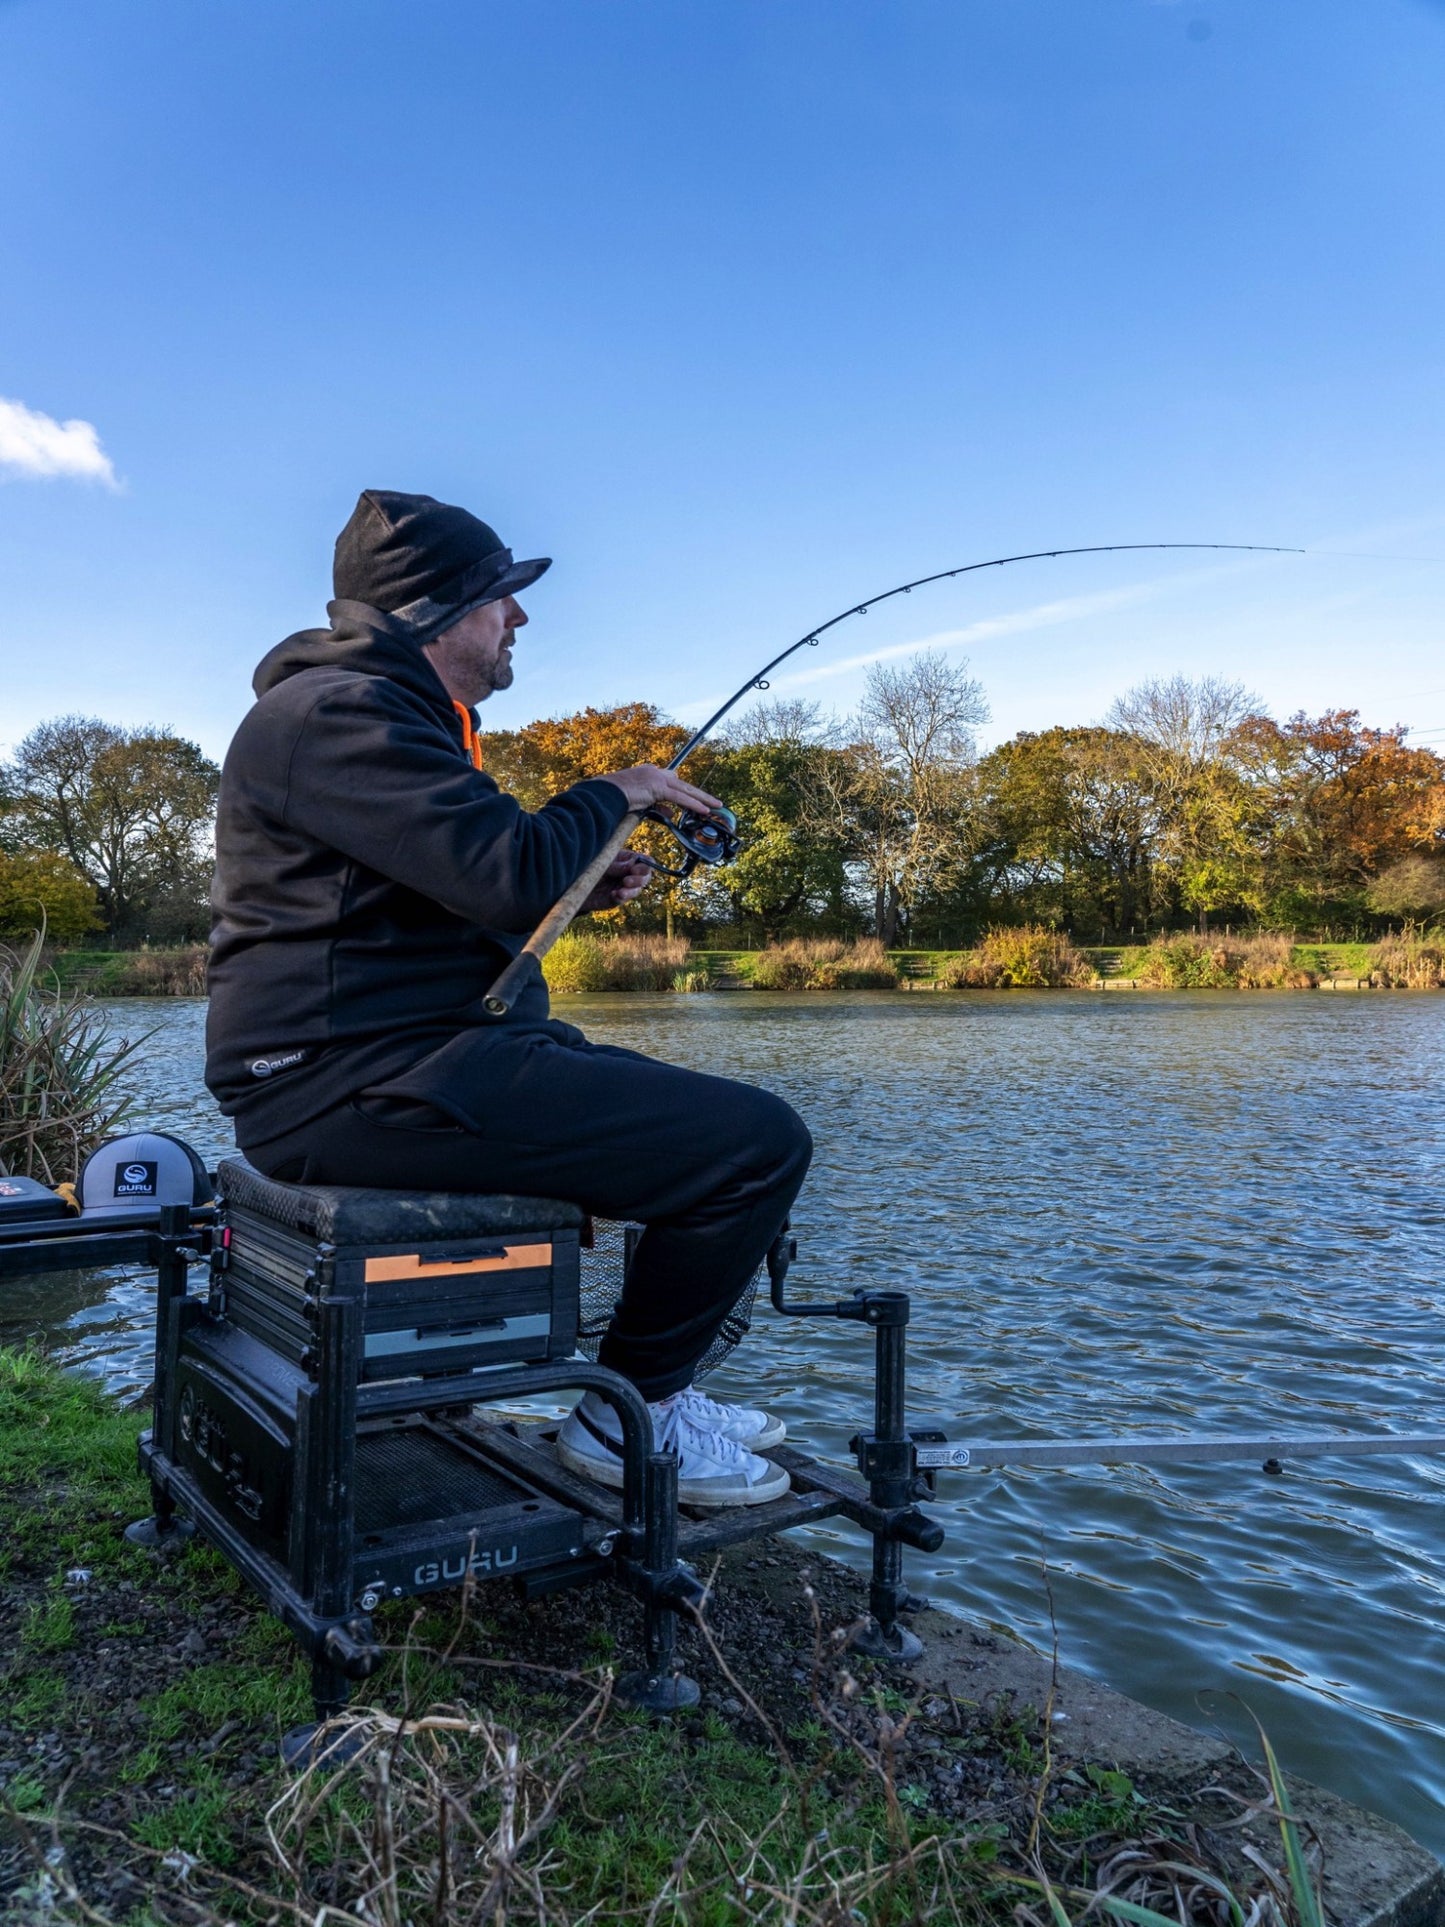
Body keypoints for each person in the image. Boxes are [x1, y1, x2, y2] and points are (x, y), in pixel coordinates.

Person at [206, 489, 812, 1508]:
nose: (518, 619)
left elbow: (459, 901)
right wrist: (616, 790)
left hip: (391, 1060)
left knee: (694, 1120)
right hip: (344, 1083)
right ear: (438, 609)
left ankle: (634, 1391)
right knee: (753, 1145)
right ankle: (633, 1416)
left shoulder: (384, 716)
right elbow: (505, 872)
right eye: (502, 598)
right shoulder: (338, 713)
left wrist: (581, 876)